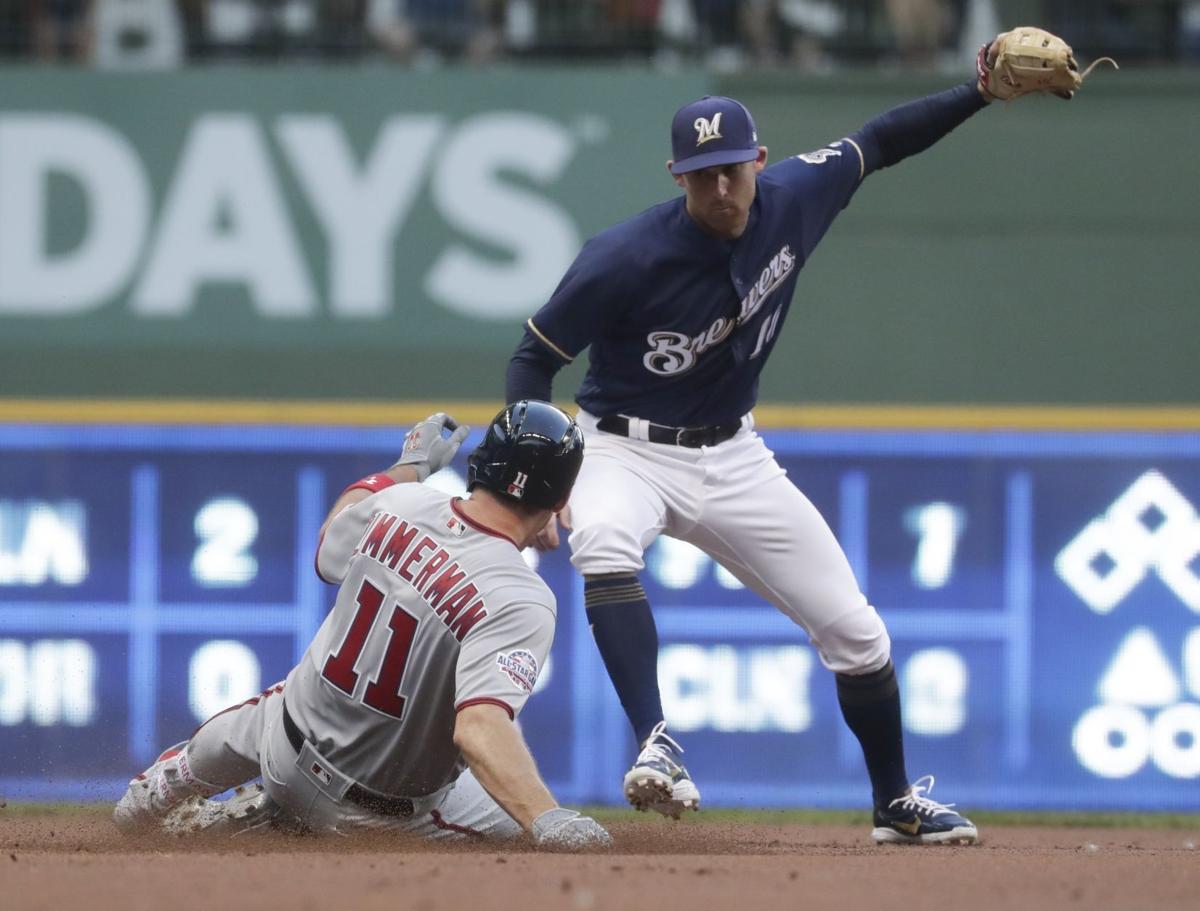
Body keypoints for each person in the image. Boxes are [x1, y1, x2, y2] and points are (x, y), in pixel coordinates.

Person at [502, 35, 1056, 847]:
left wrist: (978, 91)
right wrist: (539, 484)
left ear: (760, 159)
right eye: (701, 175)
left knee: (858, 631)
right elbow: (531, 362)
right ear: (676, 178)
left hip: (732, 454)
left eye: (732, 167)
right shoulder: (621, 258)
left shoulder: (798, 194)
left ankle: (894, 799)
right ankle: (657, 740)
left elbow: (884, 138)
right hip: (623, 447)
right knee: (607, 540)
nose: (721, 187)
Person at [113, 404, 611, 850]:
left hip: (281, 749)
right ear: (562, 498)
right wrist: (547, 818)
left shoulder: (403, 502)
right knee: (523, 838)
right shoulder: (522, 597)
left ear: (480, 462)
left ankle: (164, 789)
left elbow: (331, 543)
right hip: (373, 815)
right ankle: (282, 828)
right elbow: (479, 729)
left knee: (276, 704)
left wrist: (410, 466)